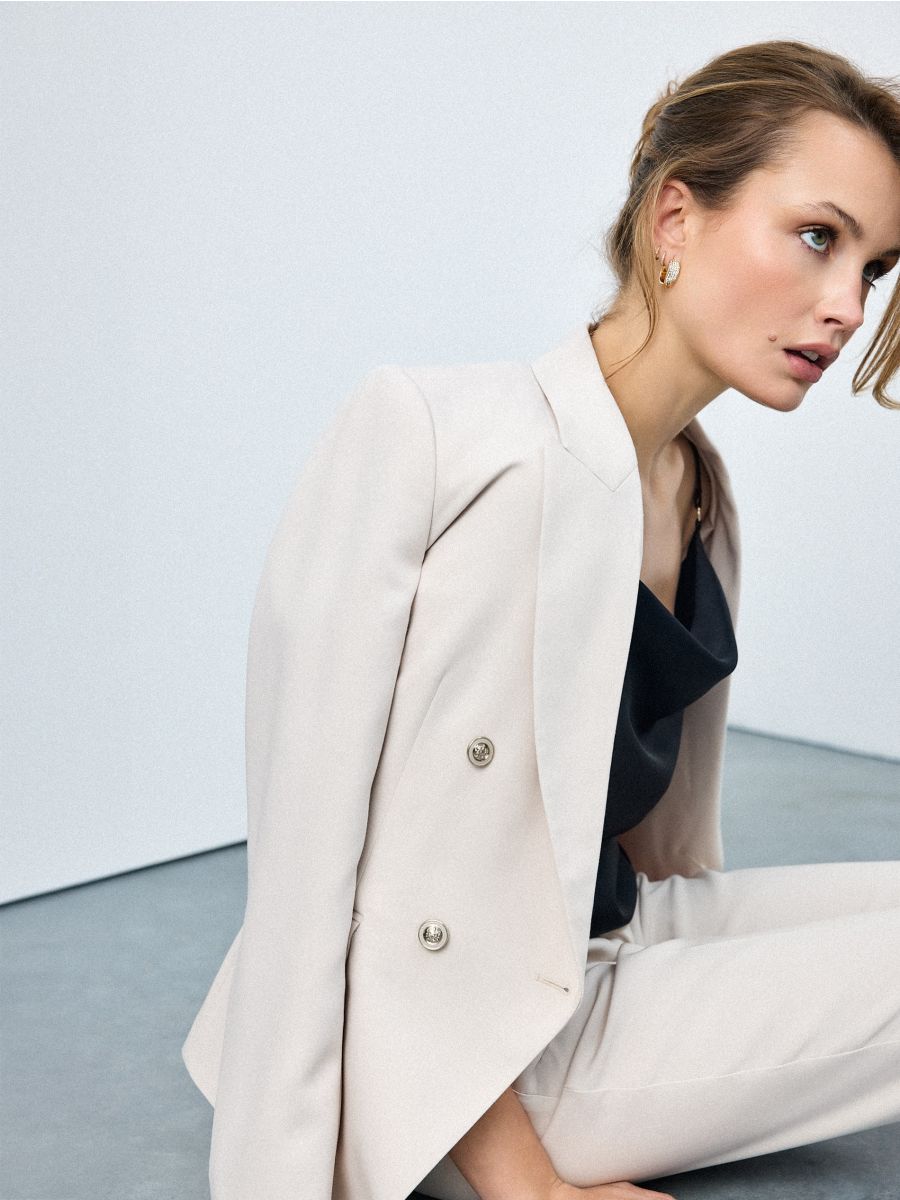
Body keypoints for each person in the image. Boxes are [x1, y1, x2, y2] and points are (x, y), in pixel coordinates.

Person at [180, 38, 900, 1200]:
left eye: (876, 266)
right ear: (675, 217)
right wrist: (528, 1184)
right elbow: (338, 860)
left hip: (605, 941)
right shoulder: (446, 441)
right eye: (820, 237)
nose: (847, 307)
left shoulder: (695, 487)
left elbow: (633, 838)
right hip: (467, 1053)